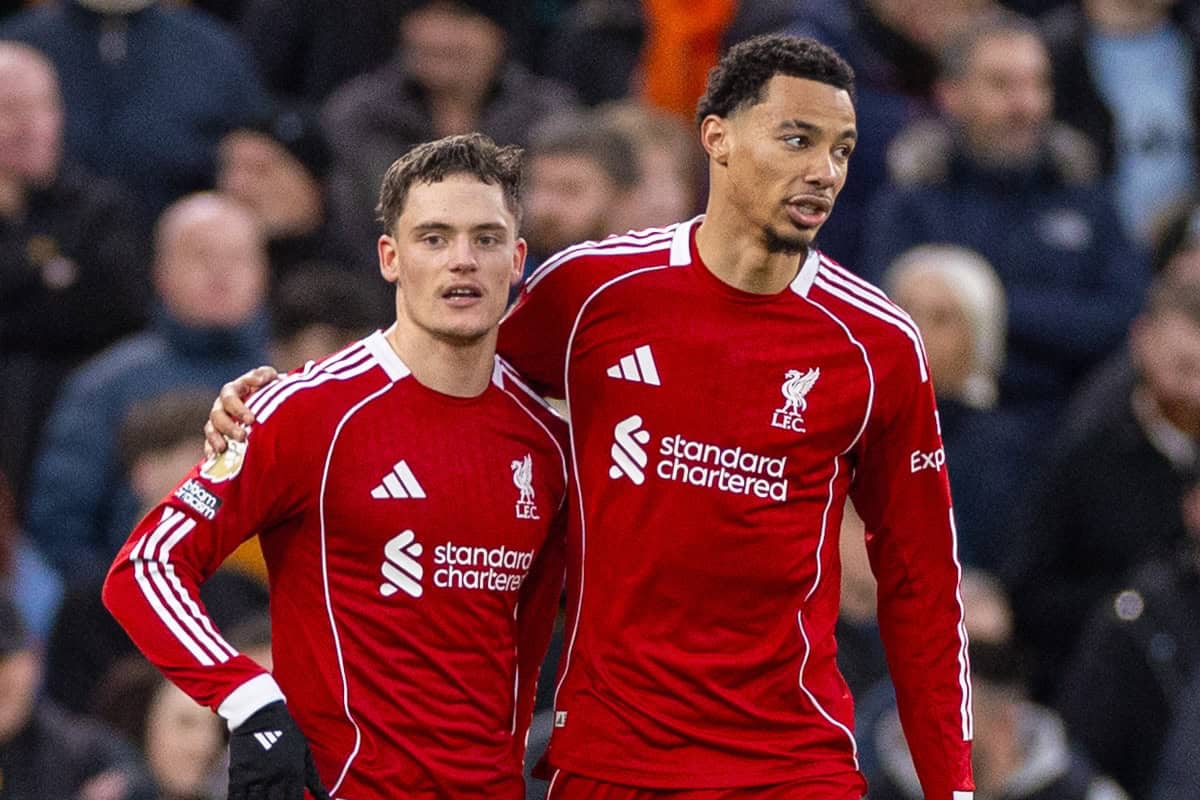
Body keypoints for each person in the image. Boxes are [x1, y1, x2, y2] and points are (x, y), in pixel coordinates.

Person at [210, 35, 973, 799]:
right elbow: (436, 375)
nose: (824, 171)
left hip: (790, 762)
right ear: (717, 138)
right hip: (613, 759)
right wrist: (282, 400)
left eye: (841, 149)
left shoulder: (877, 344)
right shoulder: (592, 291)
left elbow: (923, 586)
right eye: (797, 139)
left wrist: (954, 789)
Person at [106, 134, 569, 800]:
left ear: (518, 258)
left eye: (486, 239)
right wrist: (248, 697)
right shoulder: (302, 411)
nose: (462, 261)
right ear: (391, 257)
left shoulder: (546, 441)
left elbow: (531, 646)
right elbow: (145, 568)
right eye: (433, 238)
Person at [24, 192, 271, 583]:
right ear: (160, 273)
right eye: (201, 257)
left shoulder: (296, 382)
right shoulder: (104, 386)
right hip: (141, 605)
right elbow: (61, 528)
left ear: (262, 274)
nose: (221, 273)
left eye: (237, 258)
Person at [0, 42, 151, 511]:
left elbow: (118, 308)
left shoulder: (100, 210)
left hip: (72, 421)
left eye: (40, 108)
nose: (27, 127)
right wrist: (41, 275)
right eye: (6, 110)